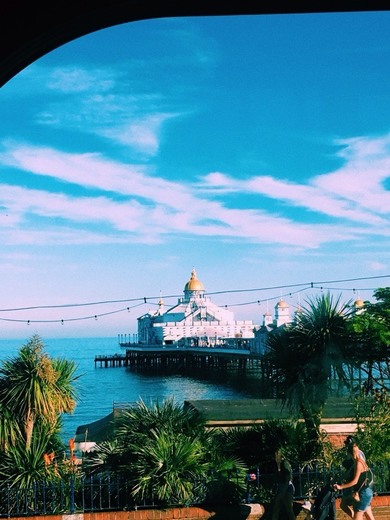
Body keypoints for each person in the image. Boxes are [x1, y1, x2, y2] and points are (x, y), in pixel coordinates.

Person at [334, 437, 375, 520]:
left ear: (350, 454)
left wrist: (340, 487)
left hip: (363, 492)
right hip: (366, 491)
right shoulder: (360, 461)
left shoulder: (358, 464)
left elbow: (355, 481)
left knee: (358, 516)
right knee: (368, 515)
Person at [271, 449, 295, 520]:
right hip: (281, 487)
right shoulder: (276, 465)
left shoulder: (285, 463)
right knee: (276, 508)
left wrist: (284, 491)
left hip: (287, 487)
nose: (276, 455)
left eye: (277, 454)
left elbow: (288, 479)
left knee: (289, 509)